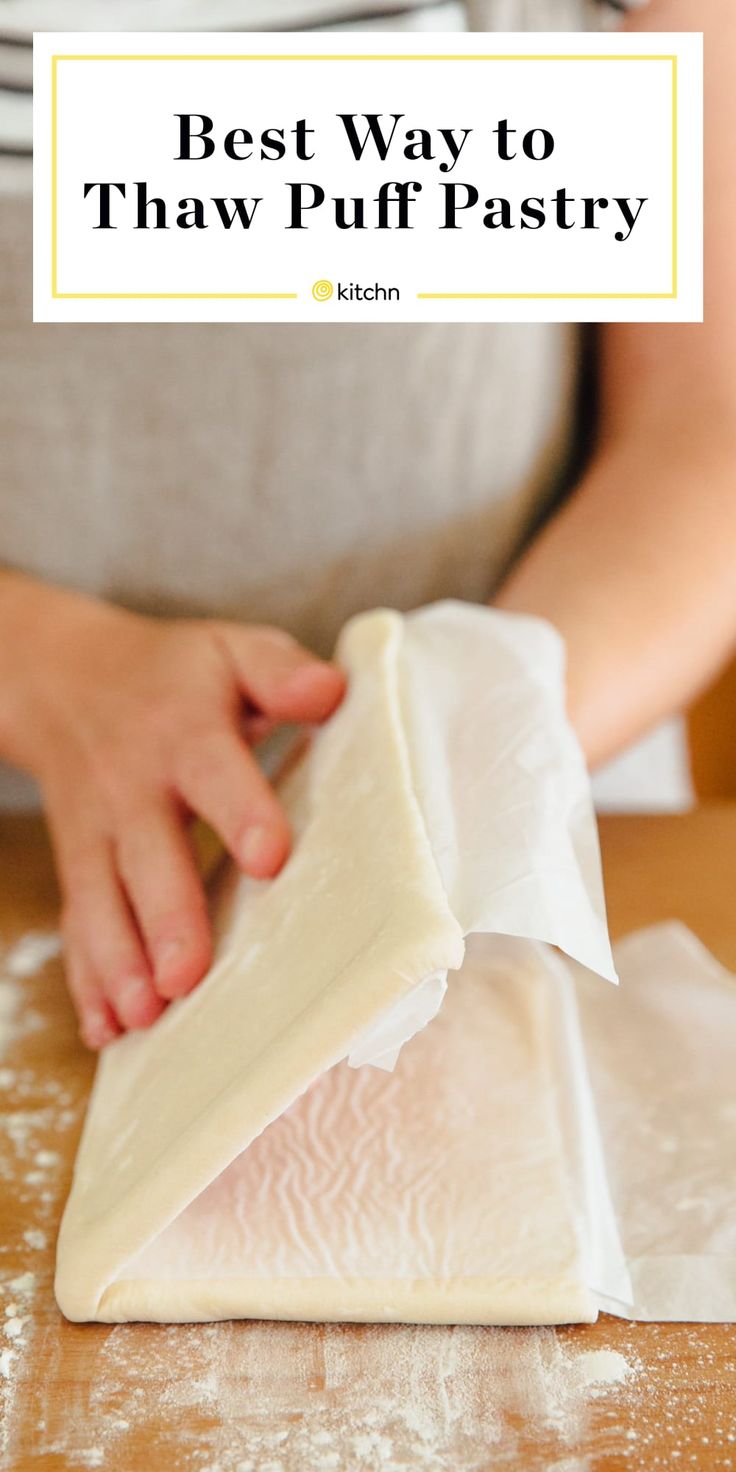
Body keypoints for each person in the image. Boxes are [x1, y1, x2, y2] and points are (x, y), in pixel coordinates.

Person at [0, 0, 734, 1049]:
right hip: (30, 860)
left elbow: (704, 429)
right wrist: (40, 662)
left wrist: (465, 740)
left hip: (541, 809)